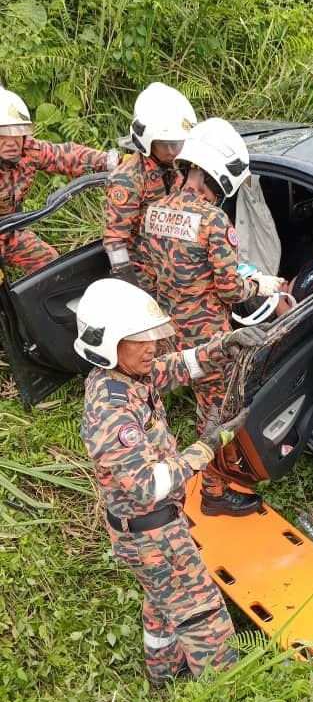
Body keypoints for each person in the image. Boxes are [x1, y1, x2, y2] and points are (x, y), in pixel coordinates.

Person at [75, 277, 269, 687]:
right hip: (153, 533)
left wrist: (222, 346)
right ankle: (229, 700)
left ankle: (163, 676)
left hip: (149, 532)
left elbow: (176, 366)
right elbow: (147, 486)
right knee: (201, 611)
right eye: (138, 339)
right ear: (109, 343)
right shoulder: (112, 411)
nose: (151, 346)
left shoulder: (125, 378)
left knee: (162, 602)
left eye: (151, 336)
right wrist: (206, 447)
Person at [145, 117, 283, 516]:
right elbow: (229, 289)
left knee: (164, 393)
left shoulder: (156, 211)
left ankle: (161, 464)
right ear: (218, 179)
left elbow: (154, 272)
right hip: (210, 338)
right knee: (218, 414)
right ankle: (214, 492)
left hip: (169, 328)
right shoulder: (213, 221)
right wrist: (263, 286)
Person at [0, 86, 117, 275]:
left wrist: (115, 162)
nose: (11, 143)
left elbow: (68, 156)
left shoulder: (29, 151)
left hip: (9, 233)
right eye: (3, 136)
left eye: (17, 134)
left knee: (50, 267)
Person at [103, 82, 197, 291]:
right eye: (166, 144)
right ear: (147, 142)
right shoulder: (128, 180)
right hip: (144, 274)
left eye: (178, 143)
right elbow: (115, 241)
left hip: (177, 265)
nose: (174, 150)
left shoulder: (182, 166)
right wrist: (130, 286)